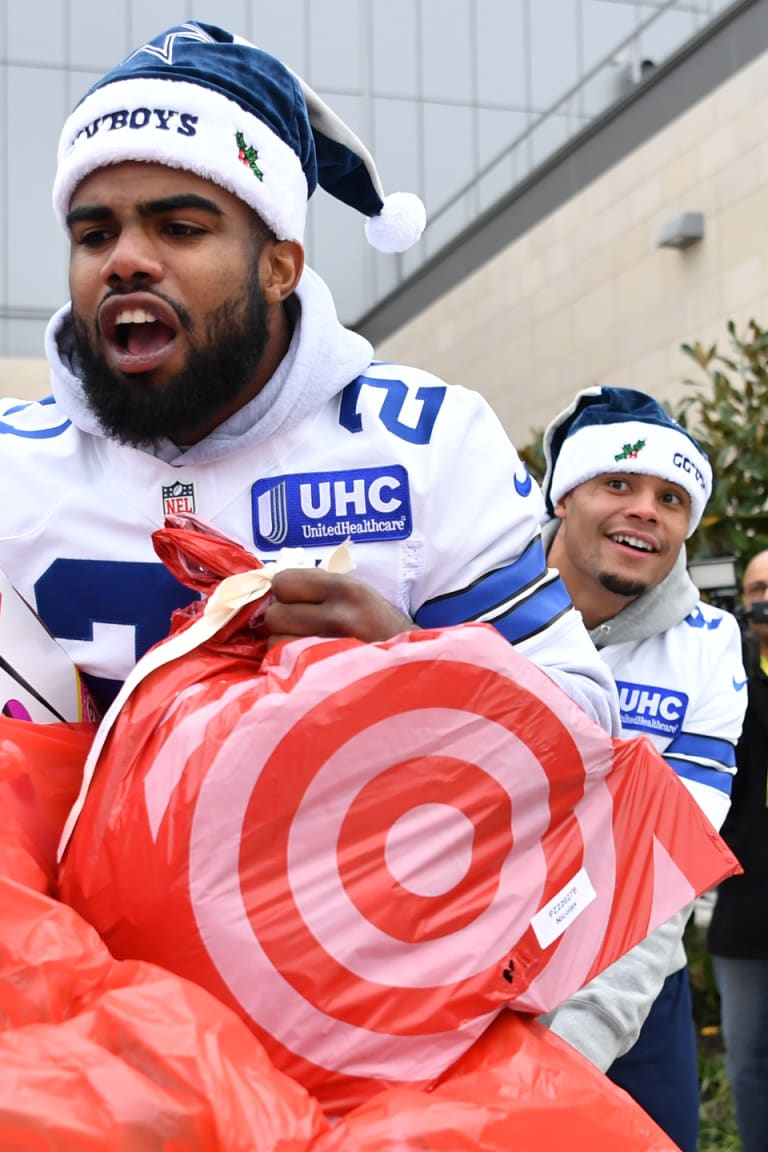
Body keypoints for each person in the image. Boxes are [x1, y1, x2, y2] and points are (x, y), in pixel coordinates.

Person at [0, 20, 618, 737]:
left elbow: (590, 722)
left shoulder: (426, 445)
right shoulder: (13, 466)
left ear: (278, 268)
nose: (125, 261)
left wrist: (411, 666)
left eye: (180, 228)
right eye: (94, 234)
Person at [538, 386, 747, 1152]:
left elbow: (672, 861)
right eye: (618, 484)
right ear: (566, 495)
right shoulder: (474, 597)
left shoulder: (708, 642)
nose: (645, 510)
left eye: (671, 496)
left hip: (629, 979)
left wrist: (576, 1045)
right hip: (459, 968)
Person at [707, 549, 768, 1152]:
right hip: (745, 916)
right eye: (755, 590)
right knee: (748, 1062)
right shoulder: (733, 684)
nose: (762, 600)